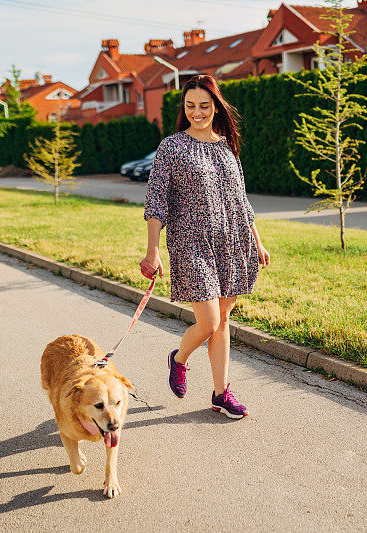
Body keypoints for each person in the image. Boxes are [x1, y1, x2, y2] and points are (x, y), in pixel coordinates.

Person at [140, 74, 270, 419]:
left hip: (232, 240)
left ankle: (221, 393)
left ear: (216, 107)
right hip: (190, 241)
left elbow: (241, 199)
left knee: (223, 319)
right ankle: (179, 358)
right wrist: (152, 250)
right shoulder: (171, 147)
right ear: (184, 108)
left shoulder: (227, 145)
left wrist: (257, 241)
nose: (197, 112)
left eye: (204, 106)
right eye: (190, 106)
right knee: (209, 321)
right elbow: (157, 201)